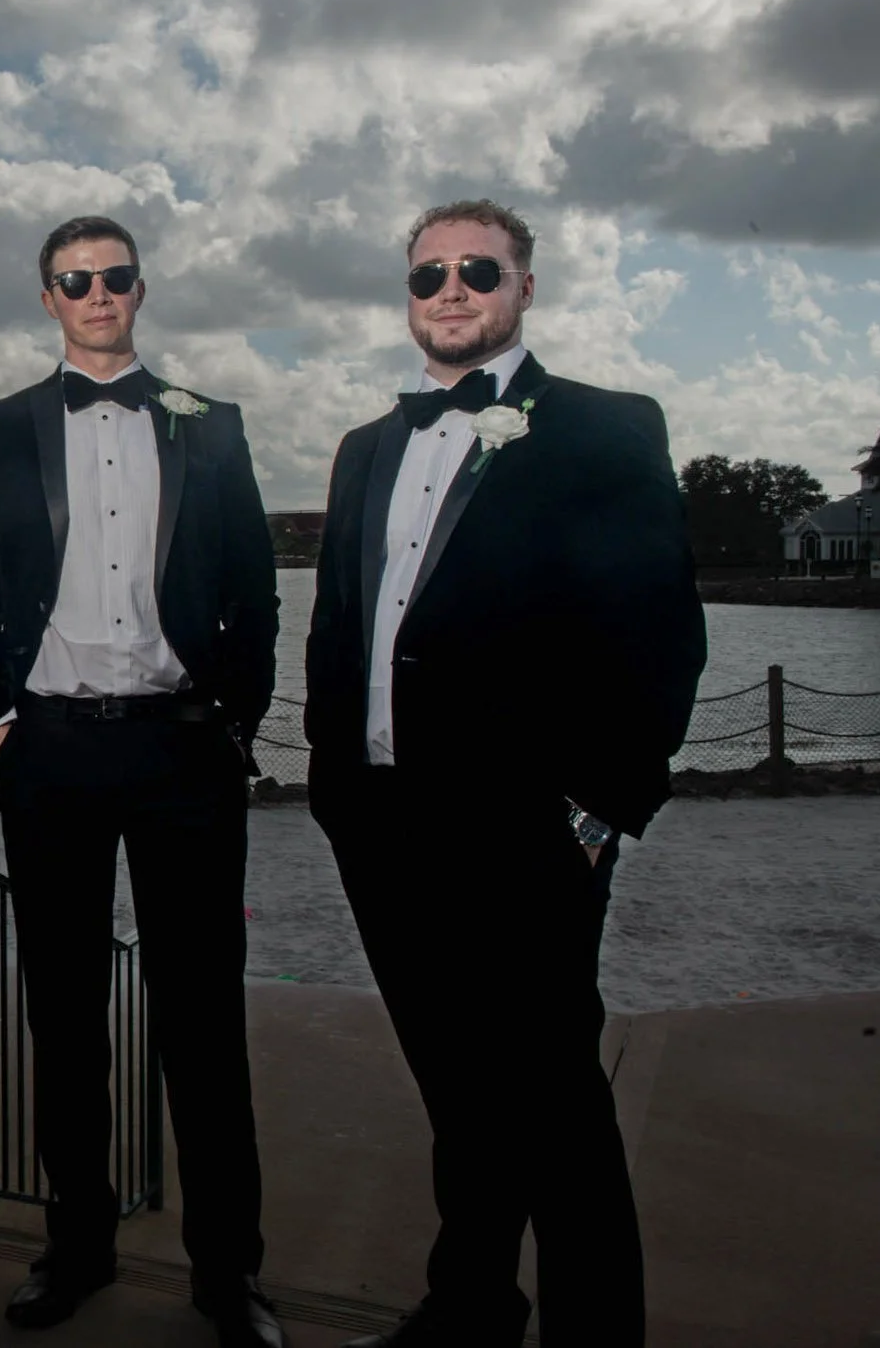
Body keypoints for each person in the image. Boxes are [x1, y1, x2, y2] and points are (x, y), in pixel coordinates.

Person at [304, 199, 706, 1348]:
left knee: (556, 1109)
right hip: (379, 824)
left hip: (525, 834)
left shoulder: (602, 428)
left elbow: (659, 632)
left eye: (476, 268)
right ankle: (469, 1305)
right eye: (427, 272)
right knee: (456, 1094)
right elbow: (341, 622)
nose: (449, 287)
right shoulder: (364, 446)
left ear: (522, 284)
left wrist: (594, 813)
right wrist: (336, 785)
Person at [0, 216, 286, 1344]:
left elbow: (254, 586)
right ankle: (76, 1245)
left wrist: (231, 724)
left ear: (141, 288)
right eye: (73, 280)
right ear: (46, 296)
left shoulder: (207, 421)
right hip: (49, 753)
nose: (97, 294)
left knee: (202, 1018)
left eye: (115, 277)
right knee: (64, 1014)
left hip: (182, 751)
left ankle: (226, 1272)